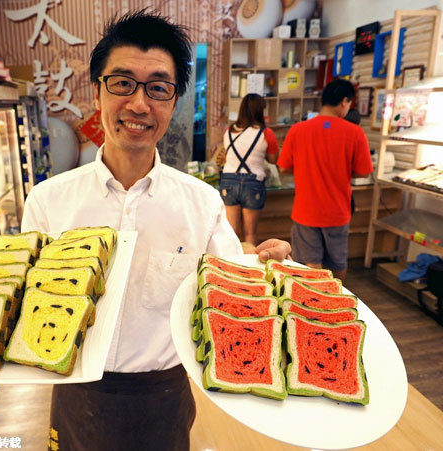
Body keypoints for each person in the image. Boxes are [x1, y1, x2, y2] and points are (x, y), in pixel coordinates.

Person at [21, 10, 291, 451]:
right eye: (122, 83)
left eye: (158, 88)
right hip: (75, 389)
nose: (139, 104)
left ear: (173, 100)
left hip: (163, 395)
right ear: (98, 91)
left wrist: (266, 266)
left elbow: (228, 281)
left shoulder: (201, 201)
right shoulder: (48, 201)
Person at [277, 79, 373, 281]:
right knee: (337, 265)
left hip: (306, 211)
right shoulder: (355, 133)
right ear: (345, 102)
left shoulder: (297, 130)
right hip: (337, 211)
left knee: (309, 264)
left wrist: (306, 168)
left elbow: (283, 167)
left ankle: (310, 306)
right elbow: (364, 172)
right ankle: (335, 304)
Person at [219, 93, 279, 244]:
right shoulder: (266, 133)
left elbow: (228, 154)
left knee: (231, 233)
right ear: (260, 111)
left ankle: (229, 265)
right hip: (253, 183)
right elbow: (273, 160)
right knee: (250, 233)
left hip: (228, 180)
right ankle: (248, 266)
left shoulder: (229, 131)